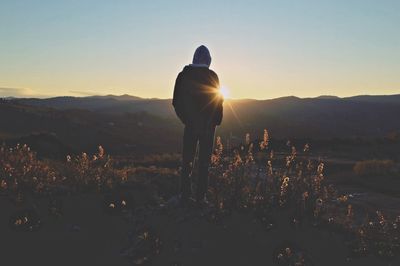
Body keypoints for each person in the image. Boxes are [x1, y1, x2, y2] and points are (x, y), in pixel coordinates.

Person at [172, 45, 223, 205]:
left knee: (187, 161)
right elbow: (218, 101)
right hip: (208, 128)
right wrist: (215, 121)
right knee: (204, 164)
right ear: (208, 60)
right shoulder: (213, 76)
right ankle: (201, 199)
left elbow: (176, 102)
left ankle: (185, 196)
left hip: (190, 126)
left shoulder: (183, 75)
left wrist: (186, 120)